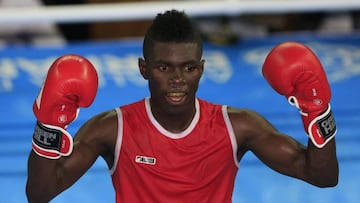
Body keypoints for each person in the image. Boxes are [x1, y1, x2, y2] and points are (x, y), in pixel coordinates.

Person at [26, 9, 339, 203]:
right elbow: (40, 194)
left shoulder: (237, 126)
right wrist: (48, 128)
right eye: (164, 68)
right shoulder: (113, 128)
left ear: (201, 69)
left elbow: (322, 176)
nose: (178, 79)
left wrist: (318, 111)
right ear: (144, 69)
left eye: (188, 68)